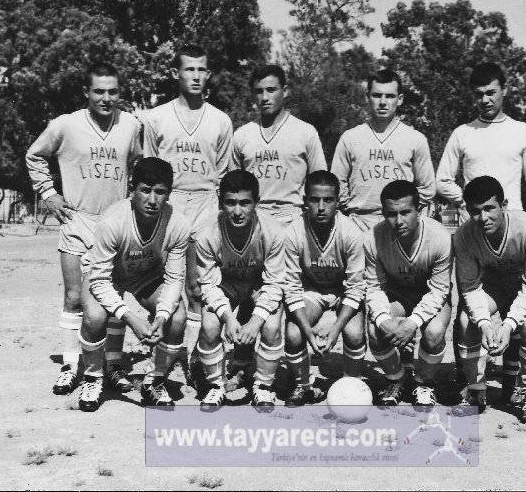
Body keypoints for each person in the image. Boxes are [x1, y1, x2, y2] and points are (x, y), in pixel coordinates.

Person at [434, 62, 526, 403]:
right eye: (479, 94)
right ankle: (469, 377)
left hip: (516, 229)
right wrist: (473, 203)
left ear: (504, 91)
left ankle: (514, 379)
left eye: (491, 92)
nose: (485, 100)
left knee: (520, 305)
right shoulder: (463, 133)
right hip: (477, 233)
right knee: (471, 308)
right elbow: (442, 180)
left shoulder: (522, 131)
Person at [26, 62, 142, 396]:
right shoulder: (65, 125)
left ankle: (114, 364)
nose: (106, 98)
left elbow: (137, 163)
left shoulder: (130, 125)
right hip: (78, 220)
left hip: (115, 223)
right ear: (86, 93)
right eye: (99, 91)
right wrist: (49, 193)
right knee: (75, 296)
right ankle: (71, 364)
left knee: (114, 296)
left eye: (113, 92)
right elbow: (34, 156)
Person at [141, 44, 234, 373]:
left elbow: (223, 174)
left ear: (208, 74)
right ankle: (162, 358)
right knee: (164, 286)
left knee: (196, 288)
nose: (195, 76)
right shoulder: (156, 118)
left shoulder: (221, 121)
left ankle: (194, 358)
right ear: (175, 73)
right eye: (189, 69)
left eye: (201, 70)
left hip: (205, 204)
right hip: (169, 205)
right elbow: (149, 168)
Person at [76, 157, 190, 411]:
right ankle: (93, 377)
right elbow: (100, 279)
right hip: (108, 274)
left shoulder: (179, 224)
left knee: (178, 317)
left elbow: (174, 279)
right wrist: (131, 319)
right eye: (145, 190)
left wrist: (161, 316)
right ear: (132, 189)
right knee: (94, 316)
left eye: (160, 192)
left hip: (145, 274)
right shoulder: (113, 221)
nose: (153, 200)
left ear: (169, 193)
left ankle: (154, 381)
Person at [452, 176, 526, 423]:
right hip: (495, 278)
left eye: (489, 208)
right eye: (475, 211)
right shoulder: (463, 236)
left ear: (504, 205)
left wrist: (508, 324)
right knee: (466, 320)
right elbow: (470, 287)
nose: (483, 217)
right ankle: (476, 390)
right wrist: (485, 323)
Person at [194, 170, 285, 412]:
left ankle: (263, 386)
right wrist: (228, 317)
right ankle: (216, 385)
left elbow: (276, 283)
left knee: (271, 327)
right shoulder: (206, 233)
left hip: (259, 284)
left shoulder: (273, 231)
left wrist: (255, 321)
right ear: (220, 201)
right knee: (210, 326)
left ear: (257, 202)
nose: (237, 211)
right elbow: (208, 285)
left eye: (245, 203)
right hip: (226, 284)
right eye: (230, 202)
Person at [364, 180, 452, 409]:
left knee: (434, 332)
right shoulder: (373, 238)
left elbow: (439, 290)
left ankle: (424, 382)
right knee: (375, 330)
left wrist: (412, 323)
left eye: (405, 212)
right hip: (398, 295)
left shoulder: (440, 237)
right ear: (383, 213)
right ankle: (396, 379)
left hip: (430, 294)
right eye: (391, 214)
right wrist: (384, 321)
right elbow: (374, 287)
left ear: (419, 210)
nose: (399, 221)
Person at [283, 171, 367, 405]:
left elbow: (356, 287)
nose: (321, 207)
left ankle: (352, 386)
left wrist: (337, 327)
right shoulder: (293, 232)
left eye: (328, 200)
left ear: (338, 201)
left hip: (343, 291)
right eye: (314, 200)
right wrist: (308, 330)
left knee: (354, 332)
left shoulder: (350, 232)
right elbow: (291, 287)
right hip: (312, 290)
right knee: (294, 333)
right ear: (305, 200)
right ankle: (303, 386)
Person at [330, 69, 436, 233]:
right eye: (377, 95)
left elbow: (427, 189)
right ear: (367, 97)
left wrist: (405, 210)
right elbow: (337, 182)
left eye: (390, 96)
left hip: (399, 223)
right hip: (359, 223)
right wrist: (349, 210)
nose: (383, 102)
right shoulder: (350, 138)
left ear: (400, 99)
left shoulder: (415, 139)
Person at [230, 64, 327, 227]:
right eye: (258, 91)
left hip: (293, 218)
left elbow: (321, 184)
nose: (264, 97)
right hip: (253, 220)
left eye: (271, 90)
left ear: (285, 91)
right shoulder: (242, 135)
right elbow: (233, 187)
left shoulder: (305, 132)